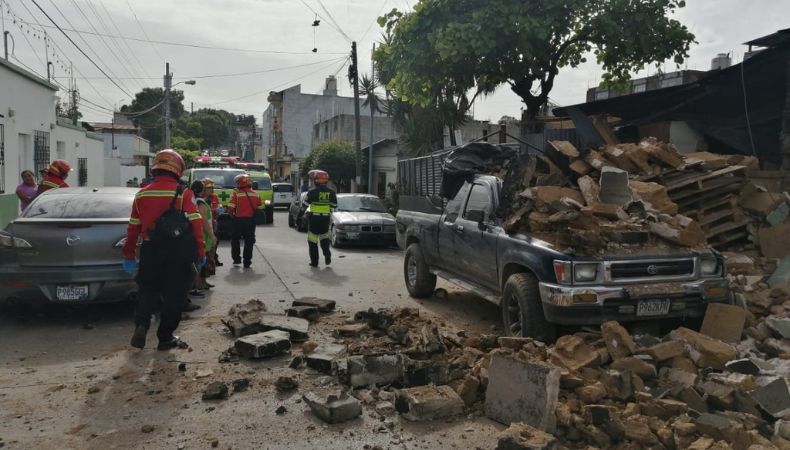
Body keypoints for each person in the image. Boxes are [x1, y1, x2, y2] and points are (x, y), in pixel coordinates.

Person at [122, 149, 206, 351]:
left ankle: (141, 325)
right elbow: (196, 223)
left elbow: (133, 228)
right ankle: (165, 337)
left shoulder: (141, 194)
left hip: (150, 249)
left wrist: (129, 255)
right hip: (177, 252)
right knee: (174, 295)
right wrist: (201, 251)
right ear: (177, 169)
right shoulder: (183, 193)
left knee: (147, 290)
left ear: (156, 168)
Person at [227, 173, 261, 268]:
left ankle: (237, 259)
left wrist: (232, 216)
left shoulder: (236, 194)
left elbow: (230, 208)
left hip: (238, 220)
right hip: (250, 221)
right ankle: (247, 262)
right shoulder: (256, 194)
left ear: (239, 184)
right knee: (249, 242)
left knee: (235, 240)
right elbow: (259, 205)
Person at [305, 169, 337, 267]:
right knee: (324, 238)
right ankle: (327, 254)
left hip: (314, 219)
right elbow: (334, 205)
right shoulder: (331, 192)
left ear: (316, 180)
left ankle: (314, 262)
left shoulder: (312, 192)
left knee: (312, 241)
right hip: (325, 220)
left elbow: (305, 204)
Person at [191, 180, 216, 291]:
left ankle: (203, 282)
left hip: (204, 235)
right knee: (202, 260)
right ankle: (198, 284)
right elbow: (204, 221)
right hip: (204, 235)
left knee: (205, 260)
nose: (211, 190)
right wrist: (211, 235)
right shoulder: (200, 202)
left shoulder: (199, 201)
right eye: (208, 188)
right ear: (202, 190)